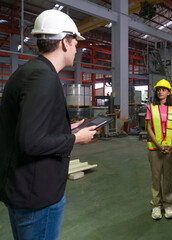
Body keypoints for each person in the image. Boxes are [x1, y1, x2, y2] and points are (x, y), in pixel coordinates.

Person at [0, 9, 97, 240]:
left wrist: (66, 129)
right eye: (75, 44)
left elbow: (24, 127)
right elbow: (30, 142)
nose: (76, 49)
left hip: (21, 188)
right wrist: (76, 138)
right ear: (65, 42)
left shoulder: (27, 72)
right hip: (37, 195)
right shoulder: (43, 78)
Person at [146, 79, 172, 220]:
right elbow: (148, 127)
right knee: (156, 177)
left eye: (163, 89)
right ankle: (156, 205)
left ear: (168, 92)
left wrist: (171, 144)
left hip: (171, 149)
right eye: (159, 89)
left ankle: (168, 204)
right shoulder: (151, 107)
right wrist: (159, 145)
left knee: (168, 176)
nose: (161, 91)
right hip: (155, 148)